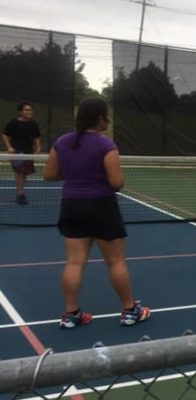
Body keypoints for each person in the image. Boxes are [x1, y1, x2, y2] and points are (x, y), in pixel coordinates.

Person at [43, 96, 151, 329]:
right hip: (101, 206)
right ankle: (130, 311)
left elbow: (50, 175)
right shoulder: (106, 146)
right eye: (106, 117)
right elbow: (115, 183)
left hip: (72, 205)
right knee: (116, 261)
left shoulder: (62, 142)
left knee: (74, 263)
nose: (108, 121)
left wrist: (74, 173)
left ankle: (71, 314)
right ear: (99, 118)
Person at [3, 101, 42, 205]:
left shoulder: (34, 124)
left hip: (29, 151)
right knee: (20, 172)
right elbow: (5, 135)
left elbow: (36, 137)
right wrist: (9, 147)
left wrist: (38, 147)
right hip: (17, 151)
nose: (29, 112)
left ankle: (20, 191)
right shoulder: (13, 123)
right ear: (20, 112)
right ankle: (20, 193)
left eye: (30, 110)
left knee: (24, 173)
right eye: (26, 110)